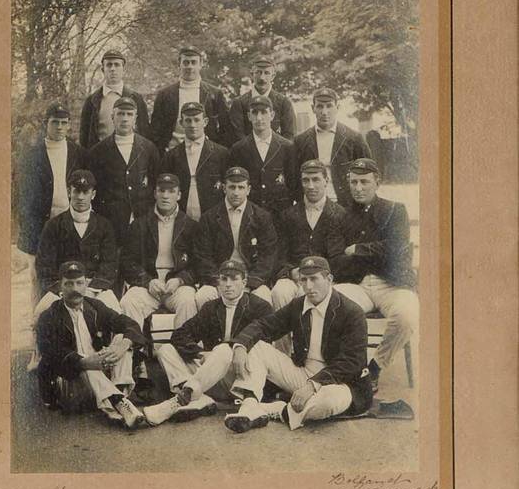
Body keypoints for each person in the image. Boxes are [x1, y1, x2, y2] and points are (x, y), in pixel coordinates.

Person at [222, 256, 372, 433]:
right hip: (302, 375)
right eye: (303, 280)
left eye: (314, 279)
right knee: (258, 347)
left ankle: (273, 410)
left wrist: (313, 385)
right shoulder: (298, 305)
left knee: (328, 402)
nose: (308, 286)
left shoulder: (351, 312)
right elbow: (264, 326)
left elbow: (351, 363)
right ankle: (249, 405)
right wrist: (240, 346)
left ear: (329, 279)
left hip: (340, 384)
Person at [143, 260, 273, 425]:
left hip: (241, 376)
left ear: (244, 282)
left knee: (225, 350)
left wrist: (229, 351)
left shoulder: (260, 307)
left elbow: (264, 345)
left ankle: (181, 399)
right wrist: (200, 353)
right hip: (210, 376)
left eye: (234, 279)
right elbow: (180, 335)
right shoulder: (211, 308)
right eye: (224, 279)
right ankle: (199, 399)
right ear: (218, 283)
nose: (228, 285)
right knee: (165, 350)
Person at [332, 158, 419, 393]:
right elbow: (338, 258)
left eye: (364, 182)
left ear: (376, 182)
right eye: (354, 182)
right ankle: (349, 367)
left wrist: (359, 250)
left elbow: (397, 247)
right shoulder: (342, 216)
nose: (358, 188)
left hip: (392, 283)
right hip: (358, 284)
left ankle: (375, 367)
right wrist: (369, 253)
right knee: (329, 303)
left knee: (407, 314)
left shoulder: (395, 210)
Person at [35, 261, 147, 428]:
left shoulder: (95, 306)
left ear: (86, 284)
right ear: (60, 286)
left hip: (101, 380)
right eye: (69, 284)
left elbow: (128, 324)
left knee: (123, 344)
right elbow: (50, 354)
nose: (75, 289)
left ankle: (116, 405)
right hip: (71, 385)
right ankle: (119, 402)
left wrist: (123, 345)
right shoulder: (49, 316)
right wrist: (84, 362)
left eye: (79, 283)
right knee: (87, 366)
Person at [16, 101, 86, 307]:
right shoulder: (32, 156)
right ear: (46, 124)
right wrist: (30, 232)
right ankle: (38, 323)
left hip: (69, 221)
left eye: (64, 123)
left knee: (70, 274)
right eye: (55, 122)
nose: (60, 127)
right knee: (39, 277)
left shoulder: (78, 153)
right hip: (40, 223)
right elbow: (25, 199)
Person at [34, 170, 121, 316]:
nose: (80, 197)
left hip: (95, 290)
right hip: (62, 290)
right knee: (39, 315)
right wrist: (64, 288)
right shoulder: (53, 225)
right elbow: (44, 265)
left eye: (85, 192)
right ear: (69, 192)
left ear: (93, 194)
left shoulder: (104, 225)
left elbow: (110, 264)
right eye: (76, 191)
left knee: (116, 313)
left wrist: (91, 288)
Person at [120, 173, 198, 331]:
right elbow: (128, 262)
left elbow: (198, 264)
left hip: (176, 286)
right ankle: (134, 351)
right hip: (148, 285)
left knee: (188, 301)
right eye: (161, 191)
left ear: (179, 195)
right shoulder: (139, 224)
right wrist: (148, 281)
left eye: (171, 191)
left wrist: (180, 280)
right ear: (155, 193)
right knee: (128, 302)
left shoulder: (190, 226)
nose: (165, 196)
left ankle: (183, 350)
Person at [194, 166, 277, 309]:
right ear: (224, 188)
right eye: (232, 187)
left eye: (241, 187)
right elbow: (203, 256)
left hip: (249, 278)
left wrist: (249, 283)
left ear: (248, 189)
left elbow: (268, 256)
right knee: (203, 296)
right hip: (220, 278)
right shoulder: (209, 217)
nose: (236, 192)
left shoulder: (262, 217)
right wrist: (219, 282)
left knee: (264, 298)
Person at [271, 159, 346, 310]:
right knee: (280, 291)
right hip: (295, 277)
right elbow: (279, 254)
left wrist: (319, 274)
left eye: (316, 179)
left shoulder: (340, 214)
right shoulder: (289, 215)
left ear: (326, 180)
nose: (311, 186)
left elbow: (339, 257)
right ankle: (283, 334)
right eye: (306, 180)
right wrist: (290, 271)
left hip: (324, 278)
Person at [87, 95, 160, 244]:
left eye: (129, 114)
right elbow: (94, 190)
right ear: (112, 117)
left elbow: (156, 183)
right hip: (111, 223)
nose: (125, 119)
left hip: (143, 219)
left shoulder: (148, 148)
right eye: (120, 114)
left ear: (135, 118)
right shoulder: (98, 151)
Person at [227, 94, 296, 233]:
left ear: (272, 115)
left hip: (280, 216)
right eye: (255, 113)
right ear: (248, 116)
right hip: (251, 217)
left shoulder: (287, 147)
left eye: (264, 112)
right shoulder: (239, 149)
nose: (259, 118)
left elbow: (294, 184)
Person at [293, 87, 372, 207]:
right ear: (313, 108)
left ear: (337, 107)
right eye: (319, 106)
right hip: (313, 205)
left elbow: (368, 174)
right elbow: (294, 178)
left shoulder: (354, 139)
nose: (324, 112)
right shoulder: (301, 140)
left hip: (346, 206)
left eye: (329, 106)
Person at [149, 45, 231, 153]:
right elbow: (155, 130)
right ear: (179, 64)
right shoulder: (165, 94)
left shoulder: (214, 93)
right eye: (186, 62)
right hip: (172, 151)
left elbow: (225, 127)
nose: (190, 67)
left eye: (193, 62)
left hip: (206, 153)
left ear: (201, 64)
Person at [160, 101, 229, 221]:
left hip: (213, 219)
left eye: (197, 120)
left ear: (205, 122)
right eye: (188, 120)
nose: (192, 125)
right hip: (181, 219)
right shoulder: (171, 156)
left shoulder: (221, 153)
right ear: (181, 123)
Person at [79, 50, 151, 148]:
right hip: (100, 157)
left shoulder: (136, 98)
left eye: (117, 65)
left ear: (123, 69)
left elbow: (144, 132)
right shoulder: (92, 101)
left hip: (129, 155)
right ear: (103, 69)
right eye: (109, 65)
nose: (113, 69)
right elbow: (84, 137)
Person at [229, 54, 296, 141]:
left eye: (266, 73)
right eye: (258, 72)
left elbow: (289, 136)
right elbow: (237, 137)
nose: (262, 78)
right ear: (252, 74)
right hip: (247, 153)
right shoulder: (239, 103)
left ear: (273, 76)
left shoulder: (284, 103)